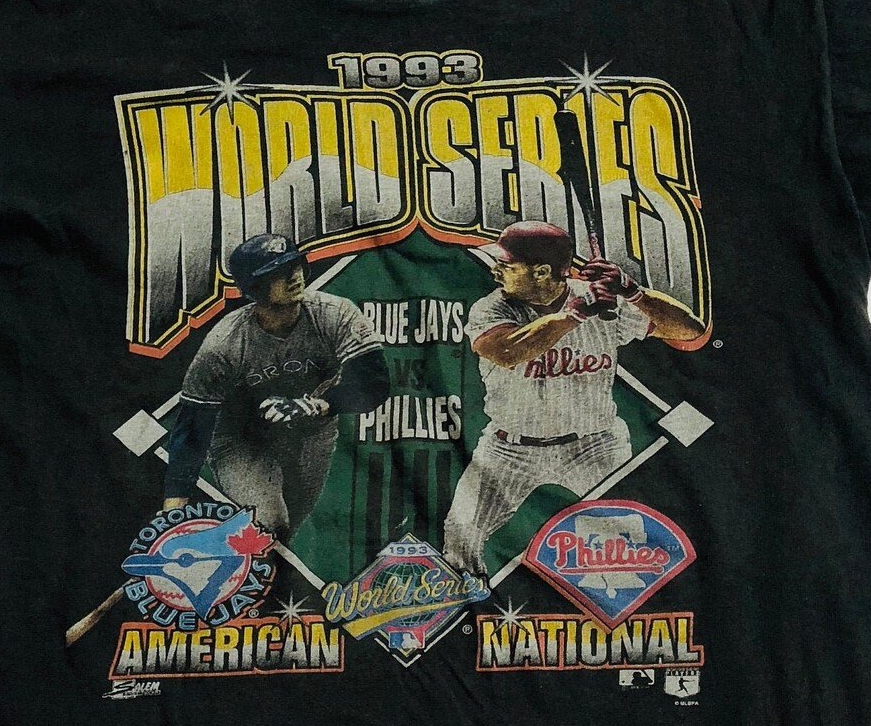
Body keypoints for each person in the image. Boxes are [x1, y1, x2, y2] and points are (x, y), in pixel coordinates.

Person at [442, 220, 709, 577]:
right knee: (460, 534)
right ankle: (468, 601)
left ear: (541, 271)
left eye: (507, 264)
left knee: (635, 534)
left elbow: (689, 330)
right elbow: (507, 351)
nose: (496, 270)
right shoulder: (492, 308)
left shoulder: (600, 300)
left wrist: (633, 292)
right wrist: (575, 314)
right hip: (509, 449)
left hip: (593, 444)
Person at [161, 232, 390, 540]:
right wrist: (173, 510)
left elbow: (374, 383)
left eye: (294, 265)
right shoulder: (225, 343)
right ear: (254, 287)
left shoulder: (334, 313)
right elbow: (192, 427)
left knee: (286, 533)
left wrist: (317, 406)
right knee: (269, 523)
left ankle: (255, 568)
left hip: (312, 432)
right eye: (278, 272)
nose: (293, 276)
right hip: (243, 439)